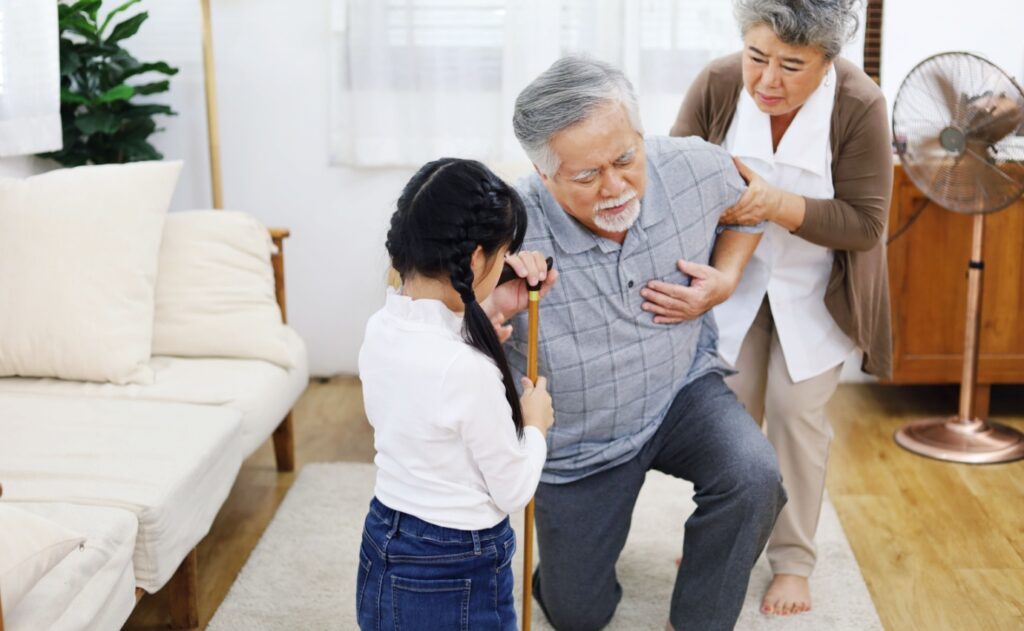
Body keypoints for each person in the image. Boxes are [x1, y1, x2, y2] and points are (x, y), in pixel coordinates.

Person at [483, 56, 786, 631]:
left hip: (679, 394)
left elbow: (751, 208)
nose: (616, 186)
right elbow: (421, 288)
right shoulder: (507, 220)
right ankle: (571, 577)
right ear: (543, 176)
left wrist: (724, 278)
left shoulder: (693, 166)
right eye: (587, 175)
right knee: (578, 616)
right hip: (576, 443)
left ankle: (699, 619)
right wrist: (484, 322)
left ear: (642, 136)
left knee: (753, 474)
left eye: (626, 158)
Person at [670, 0, 893, 617]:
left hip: (818, 286)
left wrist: (773, 204)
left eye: (791, 66)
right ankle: (720, 542)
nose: (767, 81)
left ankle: (793, 561)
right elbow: (674, 182)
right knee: (729, 416)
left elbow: (867, 223)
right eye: (757, 57)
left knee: (796, 416)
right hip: (730, 281)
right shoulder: (718, 83)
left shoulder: (859, 103)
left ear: (828, 63)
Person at [356, 158, 557, 630]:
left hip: (385, 532)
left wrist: (492, 305)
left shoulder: (381, 328)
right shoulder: (467, 369)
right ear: (474, 260)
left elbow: (432, 371)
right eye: (503, 254)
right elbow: (512, 488)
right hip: (456, 559)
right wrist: (535, 425)